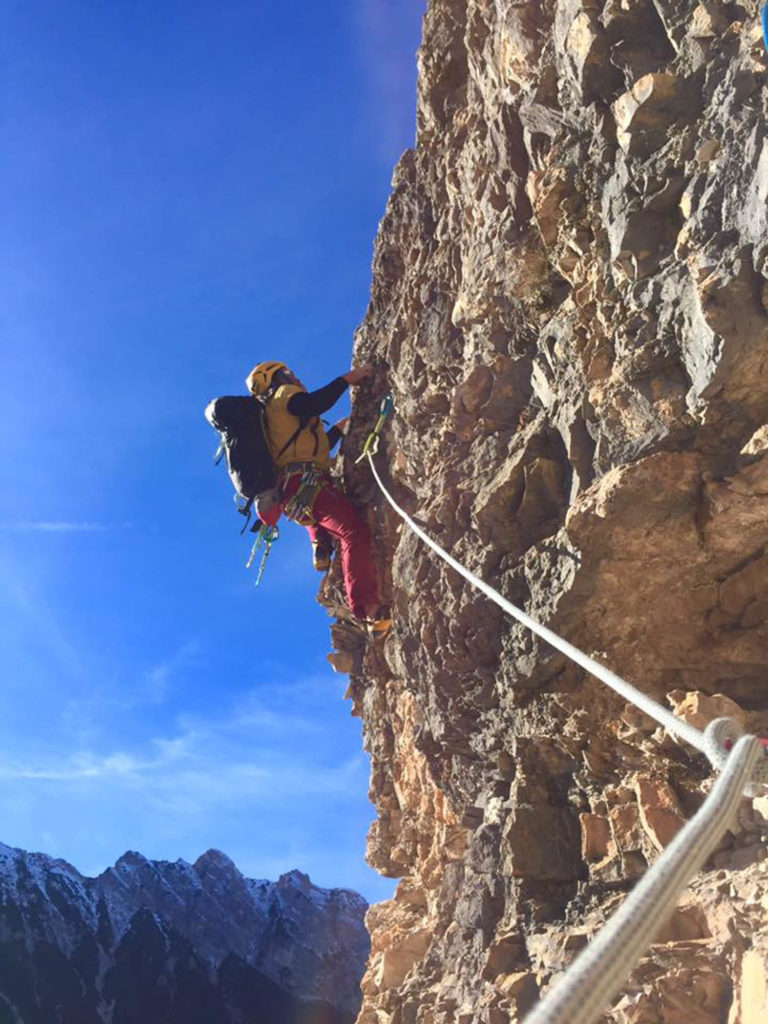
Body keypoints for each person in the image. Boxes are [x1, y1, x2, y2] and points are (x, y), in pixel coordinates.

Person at [245, 360, 390, 633]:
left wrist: (336, 431)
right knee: (353, 533)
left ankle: (319, 541)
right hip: (306, 482)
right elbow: (314, 404)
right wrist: (348, 379)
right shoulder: (284, 394)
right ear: (277, 378)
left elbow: (306, 448)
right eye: (289, 373)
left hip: (295, 489)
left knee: (324, 515)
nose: (296, 377)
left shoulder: (274, 415)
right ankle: (367, 608)